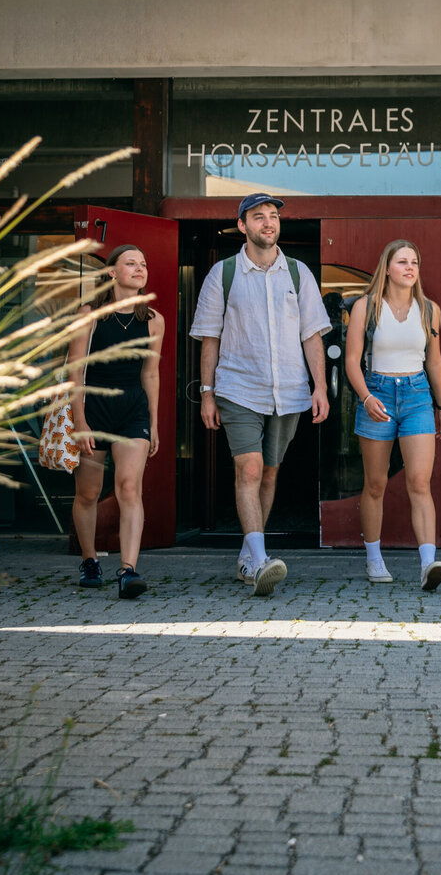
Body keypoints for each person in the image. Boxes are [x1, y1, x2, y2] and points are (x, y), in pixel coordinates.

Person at [190, 193, 331, 596]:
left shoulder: (300, 273)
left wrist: (319, 387)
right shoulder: (224, 273)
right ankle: (260, 561)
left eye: (273, 217)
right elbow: (209, 338)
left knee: (270, 472)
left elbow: (312, 336)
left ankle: (249, 554)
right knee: (249, 469)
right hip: (239, 387)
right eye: (259, 217)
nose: (268, 223)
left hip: (288, 390)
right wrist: (208, 393)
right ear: (242, 225)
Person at [344, 239, 441, 590]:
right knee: (375, 484)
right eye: (402, 261)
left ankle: (427, 564)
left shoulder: (429, 309)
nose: (410, 267)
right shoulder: (366, 307)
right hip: (378, 393)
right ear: (386, 267)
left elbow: (433, 361)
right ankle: (374, 559)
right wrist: (366, 396)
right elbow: (352, 361)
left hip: (418, 395)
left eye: (415, 262)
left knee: (419, 481)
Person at [69, 244, 164, 599]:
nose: (140, 269)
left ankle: (128, 570)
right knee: (89, 492)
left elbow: (150, 375)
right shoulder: (90, 314)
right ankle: (90, 559)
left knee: (128, 487)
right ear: (112, 272)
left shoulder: (154, 320)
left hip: (132, 409)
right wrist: (79, 420)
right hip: (93, 407)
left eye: (143, 263)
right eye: (131, 263)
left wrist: (153, 423)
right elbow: (74, 371)